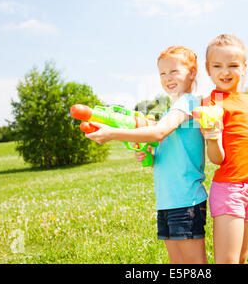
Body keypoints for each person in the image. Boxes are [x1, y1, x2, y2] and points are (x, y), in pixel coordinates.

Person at [85, 46, 208, 264]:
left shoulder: (188, 102)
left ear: (192, 73)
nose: (167, 78)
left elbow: (159, 132)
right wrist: (150, 154)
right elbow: (165, 145)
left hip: (187, 199)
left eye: (174, 71)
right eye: (162, 73)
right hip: (168, 200)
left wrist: (113, 133)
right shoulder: (172, 109)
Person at [200, 34, 248, 264]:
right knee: (227, 261)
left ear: (244, 67)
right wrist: (212, 138)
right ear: (208, 69)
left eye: (233, 65)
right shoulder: (212, 103)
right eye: (217, 66)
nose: (225, 72)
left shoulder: (247, 99)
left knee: (241, 258)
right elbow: (216, 159)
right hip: (230, 188)